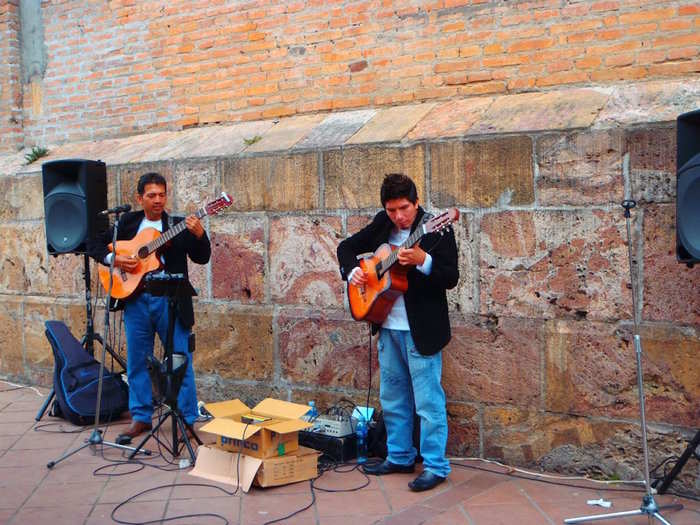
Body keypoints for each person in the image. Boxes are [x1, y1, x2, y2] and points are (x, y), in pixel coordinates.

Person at [337, 173, 458, 492]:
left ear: (416, 203)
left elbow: (450, 276)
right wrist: (353, 273)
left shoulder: (435, 228)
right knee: (392, 397)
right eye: (392, 210)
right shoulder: (382, 224)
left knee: (428, 402)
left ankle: (435, 465)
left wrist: (424, 260)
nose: (398, 216)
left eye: (403, 208)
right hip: (387, 325)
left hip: (422, 330)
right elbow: (346, 248)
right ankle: (400, 456)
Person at [89, 172, 211, 443]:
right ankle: (141, 417)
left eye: (162, 195)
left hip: (170, 302)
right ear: (139, 198)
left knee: (180, 360)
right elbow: (93, 244)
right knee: (137, 361)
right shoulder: (128, 223)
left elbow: (202, 258)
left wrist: (201, 236)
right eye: (151, 195)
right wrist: (116, 260)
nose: (157, 200)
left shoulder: (177, 225)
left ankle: (188, 419)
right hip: (136, 301)